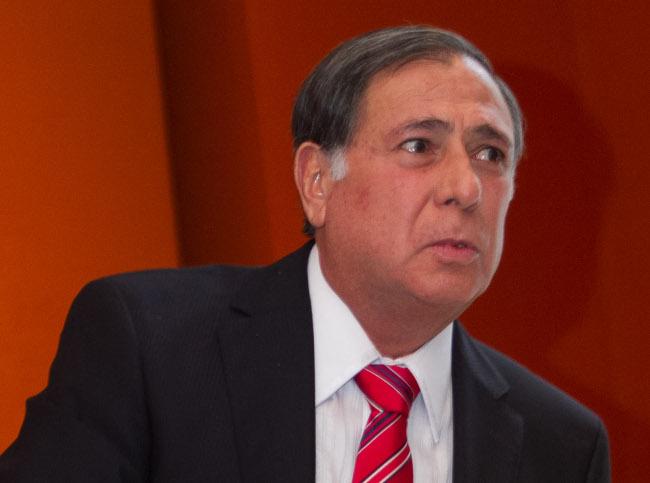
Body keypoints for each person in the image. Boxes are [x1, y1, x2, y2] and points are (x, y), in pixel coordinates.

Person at [0, 26, 609, 482]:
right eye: (419, 145)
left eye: (491, 154)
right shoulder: (150, 347)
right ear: (317, 181)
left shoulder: (561, 445)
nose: (466, 187)